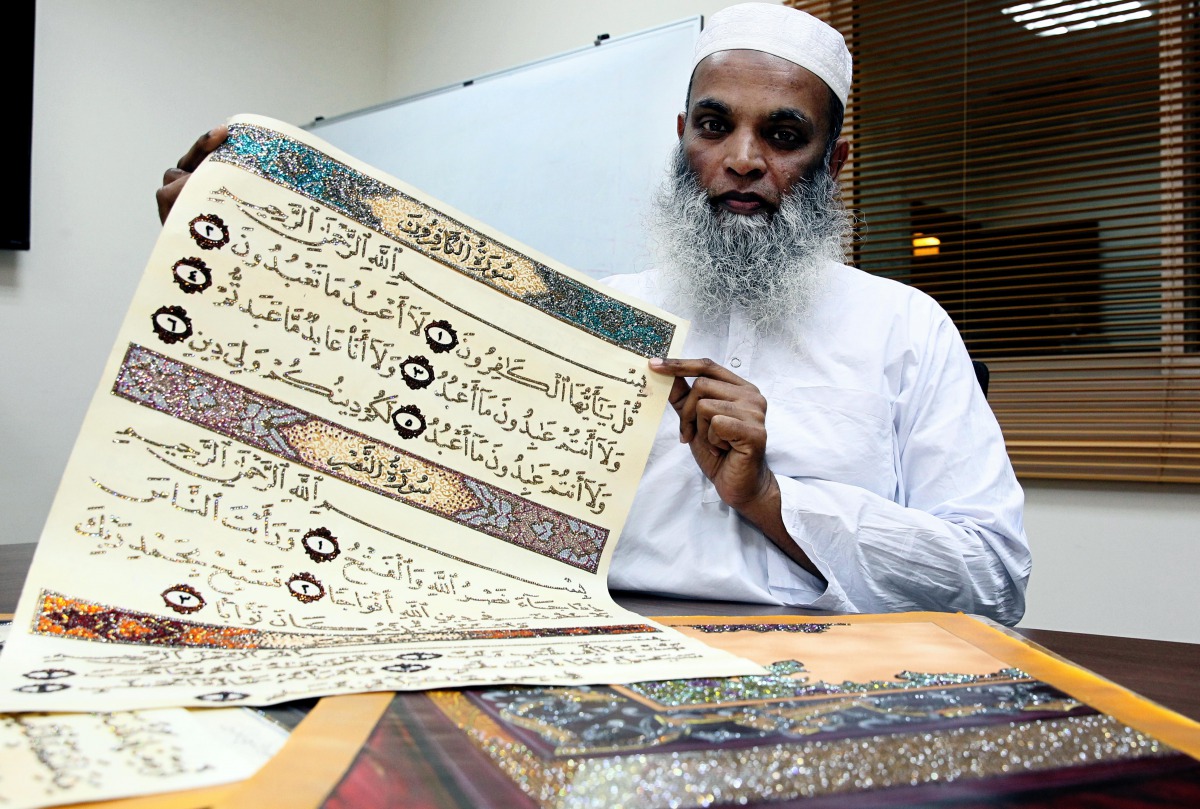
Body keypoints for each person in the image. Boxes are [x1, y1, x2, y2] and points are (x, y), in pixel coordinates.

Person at [155, 3, 1030, 626]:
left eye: (783, 134)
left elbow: (993, 577)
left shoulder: (906, 326)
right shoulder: (596, 315)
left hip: (836, 665)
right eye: (715, 126)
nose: (741, 159)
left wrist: (771, 500)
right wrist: (242, 252)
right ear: (680, 134)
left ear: (833, 159)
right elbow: (382, 414)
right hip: (599, 642)